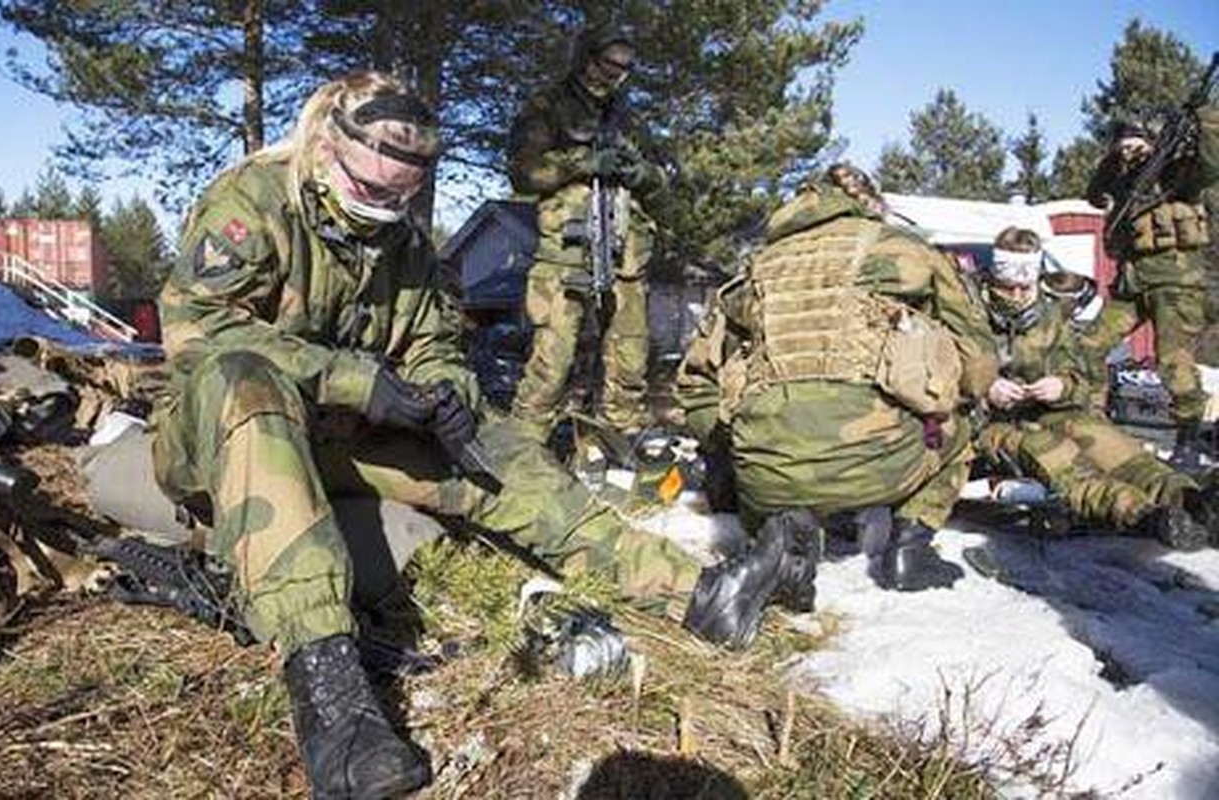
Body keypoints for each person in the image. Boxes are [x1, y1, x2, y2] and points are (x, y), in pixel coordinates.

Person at [151, 71, 784, 798]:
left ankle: (700, 594)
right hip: (221, 431)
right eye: (370, 189)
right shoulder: (251, 203)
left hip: (335, 434)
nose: (383, 208)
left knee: (495, 448)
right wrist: (354, 380)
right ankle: (333, 701)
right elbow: (202, 337)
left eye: (400, 196)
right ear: (326, 147)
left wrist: (445, 393)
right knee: (246, 381)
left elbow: (434, 342)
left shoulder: (404, 241)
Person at [676, 164, 1000, 607]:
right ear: (869, 203)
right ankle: (909, 548)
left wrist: (729, 453)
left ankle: (783, 530)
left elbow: (697, 381)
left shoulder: (758, 266)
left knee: (774, 438)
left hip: (764, 481)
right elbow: (980, 370)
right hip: (877, 466)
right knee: (963, 425)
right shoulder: (907, 250)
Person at [973, 227, 1214, 547]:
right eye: (1008, 287)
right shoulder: (967, 313)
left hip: (1048, 411)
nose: (1017, 296)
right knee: (1054, 454)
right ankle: (1143, 515)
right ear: (992, 277)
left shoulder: (1048, 314)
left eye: (1025, 286)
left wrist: (1062, 386)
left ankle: (1191, 501)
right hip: (988, 425)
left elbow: (1079, 376)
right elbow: (942, 375)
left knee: (1110, 444)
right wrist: (986, 387)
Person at [507, 24, 666, 440]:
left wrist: (640, 172)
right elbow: (524, 172)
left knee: (629, 355)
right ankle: (525, 446)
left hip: (626, 251)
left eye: (624, 68)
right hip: (566, 249)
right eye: (607, 64)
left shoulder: (630, 117)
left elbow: (662, 180)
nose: (614, 75)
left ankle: (621, 437)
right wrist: (579, 164)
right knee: (552, 359)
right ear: (585, 58)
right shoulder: (549, 105)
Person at [1084, 102, 1219, 470]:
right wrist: (1114, 160)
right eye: (1123, 141)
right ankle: (1092, 425)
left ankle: (1188, 438)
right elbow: (1094, 195)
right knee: (1088, 346)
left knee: (1172, 363)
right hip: (1133, 282)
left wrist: (1208, 119)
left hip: (1175, 284)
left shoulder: (1178, 172)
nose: (1129, 147)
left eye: (1136, 140)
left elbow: (1212, 162)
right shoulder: (1124, 177)